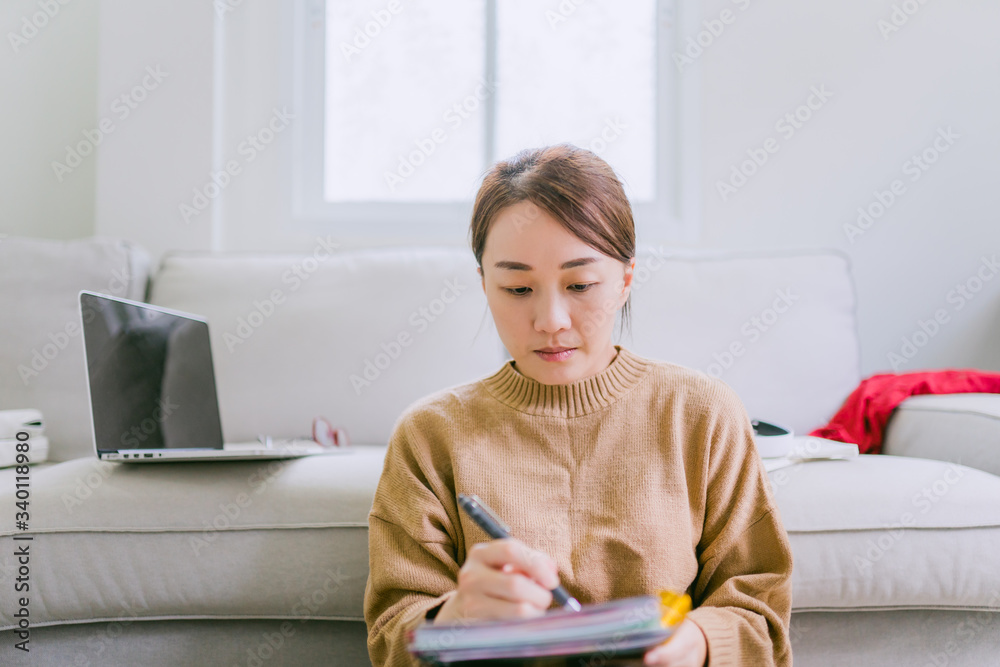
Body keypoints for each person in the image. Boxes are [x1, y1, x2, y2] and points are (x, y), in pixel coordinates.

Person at [363, 144, 793, 666]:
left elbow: (760, 611)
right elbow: (391, 637)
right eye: (517, 288)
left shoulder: (701, 414)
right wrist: (451, 621)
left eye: (580, 284)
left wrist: (699, 644)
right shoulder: (430, 435)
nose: (550, 320)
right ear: (484, 285)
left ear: (626, 279)